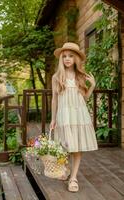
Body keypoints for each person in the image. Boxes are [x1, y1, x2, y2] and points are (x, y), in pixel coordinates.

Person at [50, 42, 98, 192]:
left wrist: (92, 86)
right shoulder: (57, 77)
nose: (67, 59)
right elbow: (54, 99)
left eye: (71, 56)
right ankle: (65, 169)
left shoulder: (80, 76)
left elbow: (84, 98)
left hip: (78, 114)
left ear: (76, 58)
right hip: (64, 115)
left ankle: (73, 178)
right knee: (64, 144)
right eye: (64, 56)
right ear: (61, 59)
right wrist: (53, 119)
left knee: (76, 147)